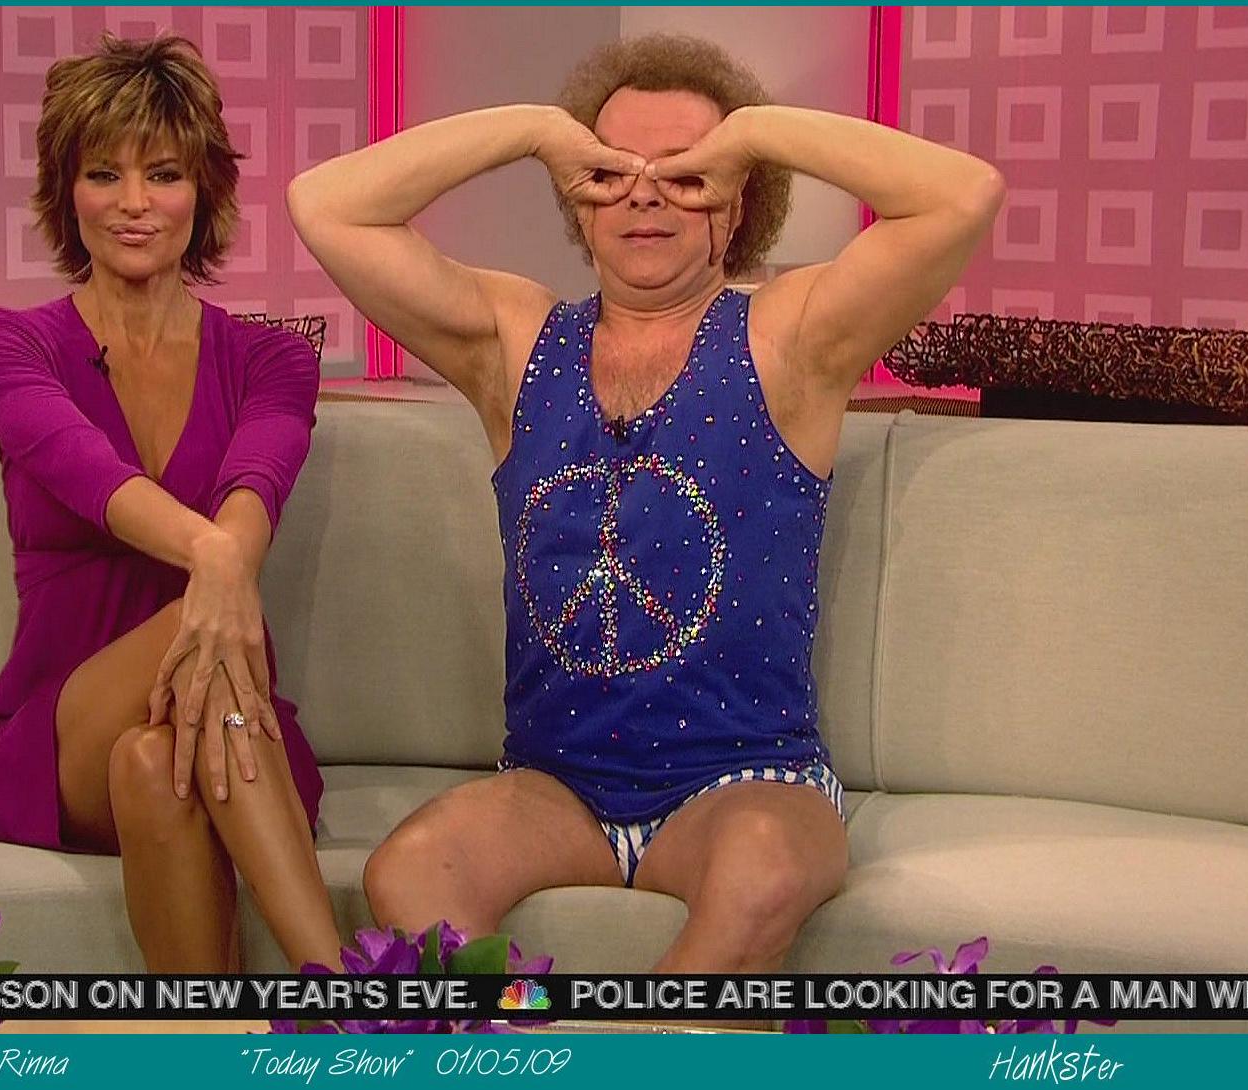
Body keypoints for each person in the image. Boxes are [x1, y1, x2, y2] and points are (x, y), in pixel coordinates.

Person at [288, 33, 1003, 973]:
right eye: (612, 171)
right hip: (554, 787)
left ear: (735, 204)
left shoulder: (790, 336)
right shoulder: (515, 340)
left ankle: (639, 1043)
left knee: (762, 871)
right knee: (410, 873)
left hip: (747, 780)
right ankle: (528, 1038)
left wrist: (756, 133)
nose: (646, 195)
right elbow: (326, 206)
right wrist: (536, 129)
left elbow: (963, 195)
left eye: (686, 174)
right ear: (577, 199)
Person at [0, 35, 341, 973]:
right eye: (105, 174)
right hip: (61, 729)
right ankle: (349, 992)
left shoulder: (272, 360)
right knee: (190, 631)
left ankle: (228, 1029)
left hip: (227, 717)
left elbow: (258, 484)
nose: (134, 202)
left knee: (153, 763)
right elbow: (84, 470)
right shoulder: (11, 344)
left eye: (163, 174)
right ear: (68, 192)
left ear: (203, 191)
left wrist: (226, 557)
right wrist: (214, 562)